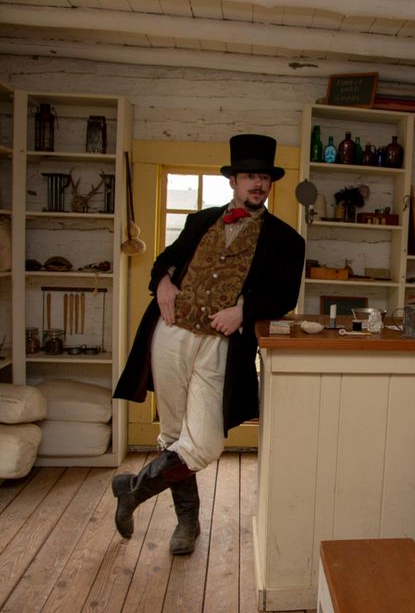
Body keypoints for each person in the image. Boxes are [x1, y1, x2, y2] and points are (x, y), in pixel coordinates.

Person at [111, 133, 305, 554]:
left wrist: (245, 310)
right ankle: (188, 525)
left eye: (264, 178)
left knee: (204, 443)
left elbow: (284, 297)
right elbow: (165, 260)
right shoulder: (200, 221)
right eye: (249, 176)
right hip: (171, 333)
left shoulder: (288, 240)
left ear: (270, 184)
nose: (258, 184)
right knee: (175, 434)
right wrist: (162, 280)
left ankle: (131, 489)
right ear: (234, 180)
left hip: (221, 345)